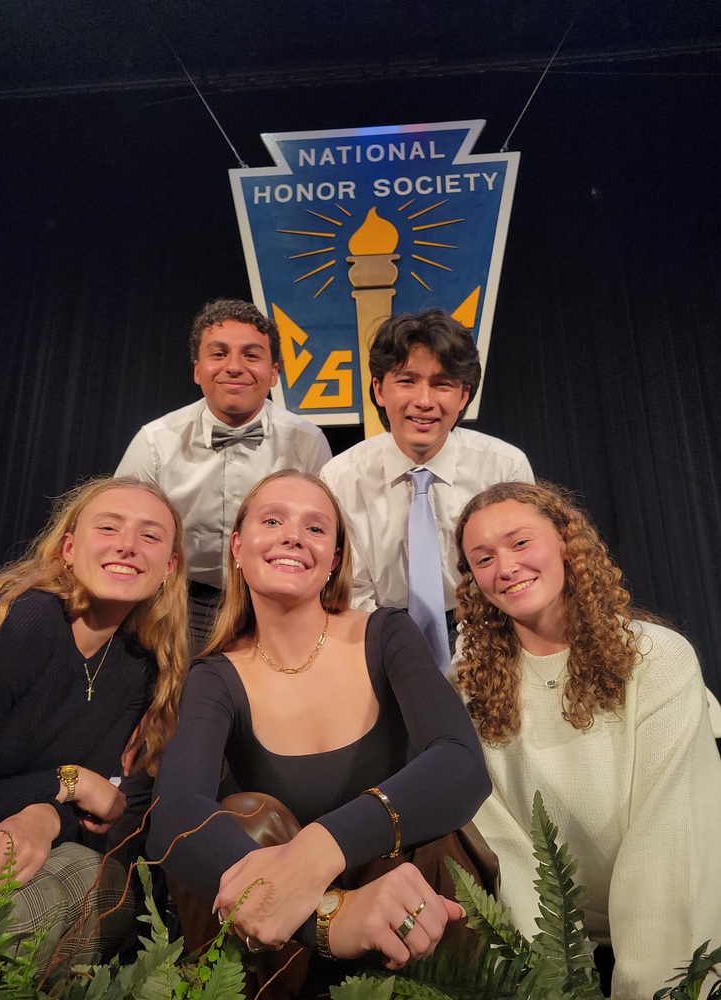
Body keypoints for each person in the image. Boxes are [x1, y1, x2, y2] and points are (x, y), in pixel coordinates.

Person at [148, 470, 492, 993]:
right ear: (237, 547)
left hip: (406, 920)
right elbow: (174, 814)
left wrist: (319, 850)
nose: (293, 535)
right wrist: (329, 914)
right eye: (272, 520)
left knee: (440, 835)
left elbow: (462, 764)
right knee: (237, 823)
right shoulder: (216, 674)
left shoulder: (386, 632)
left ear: (333, 560)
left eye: (315, 528)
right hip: (282, 949)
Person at [454, 479, 721, 1000]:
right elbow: (505, 839)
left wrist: (651, 987)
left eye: (520, 542)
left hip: (671, 931)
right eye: (482, 558)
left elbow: (668, 834)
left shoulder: (659, 660)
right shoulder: (468, 686)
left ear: (566, 543)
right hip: (560, 941)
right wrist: (553, 976)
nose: (505, 567)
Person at [0, 476, 189, 973]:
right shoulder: (21, 622)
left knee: (93, 885)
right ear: (69, 548)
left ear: (169, 568)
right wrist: (62, 784)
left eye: (151, 537)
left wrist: (47, 816)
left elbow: (111, 811)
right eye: (108, 527)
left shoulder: (141, 663)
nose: (128, 546)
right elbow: (84, 787)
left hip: (22, 861)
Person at [116, 298, 332, 651]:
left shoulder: (307, 442)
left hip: (274, 599)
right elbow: (123, 536)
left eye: (251, 355)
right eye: (219, 355)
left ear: (274, 371)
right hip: (177, 600)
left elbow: (325, 538)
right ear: (197, 369)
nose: (234, 367)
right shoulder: (154, 442)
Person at [321, 309, 532, 669]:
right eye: (406, 381)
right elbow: (352, 592)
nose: (424, 401)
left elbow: (522, 573)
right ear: (379, 389)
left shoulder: (503, 467)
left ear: (464, 394)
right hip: (377, 636)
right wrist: (402, 658)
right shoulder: (341, 477)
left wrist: (470, 653)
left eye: (442, 384)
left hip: (492, 629)